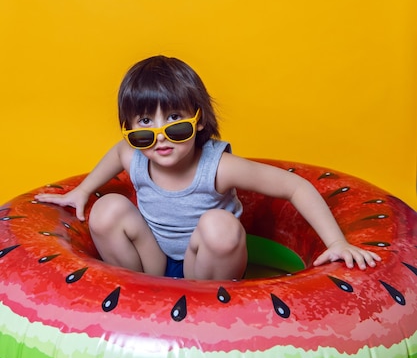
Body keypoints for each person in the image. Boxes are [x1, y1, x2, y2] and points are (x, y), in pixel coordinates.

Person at [35, 55, 381, 280]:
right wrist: (82, 191)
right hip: (152, 262)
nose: (161, 137)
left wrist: (336, 242)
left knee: (220, 225)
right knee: (105, 209)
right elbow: (116, 153)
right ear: (130, 128)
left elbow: (295, 186)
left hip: (206, 268)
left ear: (199, 122)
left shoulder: (218, 166)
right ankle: (140, 296)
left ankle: (202, 308)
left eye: (174, 120)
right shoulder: (133, 155)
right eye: (144, 123)